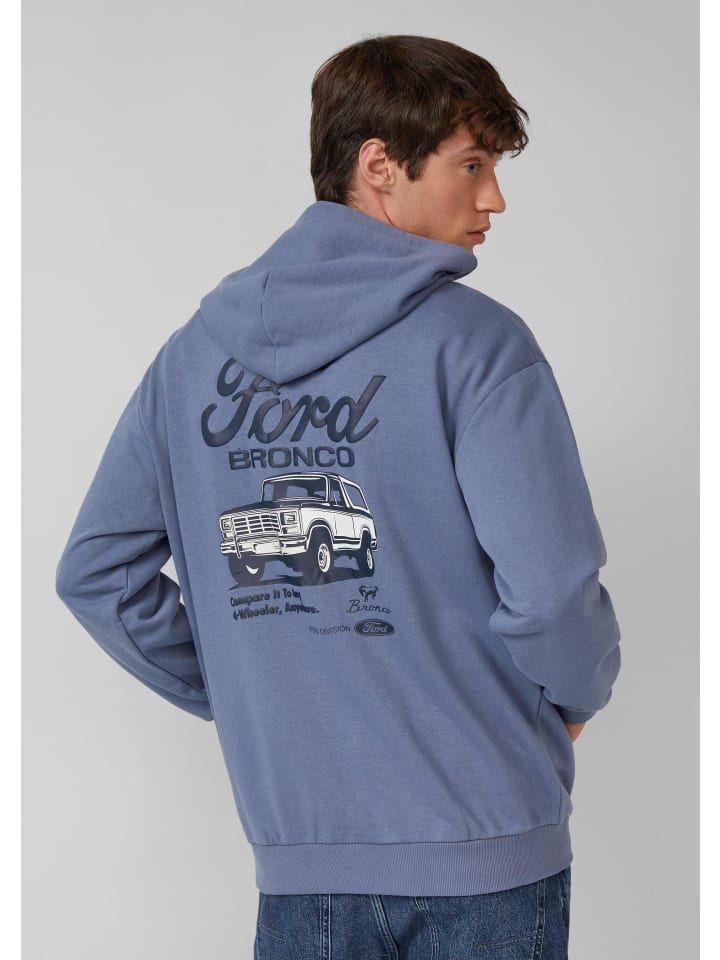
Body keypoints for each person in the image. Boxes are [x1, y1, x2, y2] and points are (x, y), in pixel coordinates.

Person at [56, 33, 622, 959]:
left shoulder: (191, 359)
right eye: (471, 164)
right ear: (380, 166)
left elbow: (97, 574)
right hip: (484, 844)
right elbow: (554, 588)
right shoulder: (477, 345)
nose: (494, 198)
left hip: (302, 861)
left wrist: (256, 687)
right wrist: (577, 692)